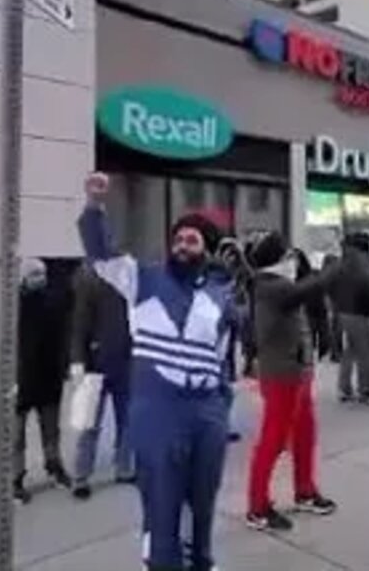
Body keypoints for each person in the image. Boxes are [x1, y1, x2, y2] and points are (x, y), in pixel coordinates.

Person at [77, 172, 237, 571]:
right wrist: (95, 206)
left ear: (206, 249)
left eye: (192, 240)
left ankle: (201, 561)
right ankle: (162, 562)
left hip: (206, 411)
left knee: (202, 497)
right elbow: (101, 252)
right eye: (178, 239)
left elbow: (222, 356)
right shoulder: (142, 279)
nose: (182, 245)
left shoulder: (218, 294)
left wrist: (221, 406)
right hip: (158, 408)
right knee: (162, 498)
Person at [245, 231, 340, 531]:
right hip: (282, 374)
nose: (292, 260)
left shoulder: (275, 286)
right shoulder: (272, 287)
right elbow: (316, 285)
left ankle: (305, 491)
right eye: (287, 255)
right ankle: (258, 507)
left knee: (304, 435)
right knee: (273, 440)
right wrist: (335, 259)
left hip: (296, 372)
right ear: (278, 259)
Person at [69, 261, 134, 500]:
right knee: (90, 423)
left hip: (125, 360)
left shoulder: (128, 278)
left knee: (126, 420)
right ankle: (81, 476)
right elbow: (80, 323)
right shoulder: (90, 278)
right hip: (97, 362)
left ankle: (123, 468)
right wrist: (78, 359)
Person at [14, 257, 72, 503]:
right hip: (21, 379)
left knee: (51, 430)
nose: (40, 279)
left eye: (42, 274)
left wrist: (63, 367)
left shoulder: (53, 304)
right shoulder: (13, 307)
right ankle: (15, 478)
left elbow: (62, 337)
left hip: (48, 376)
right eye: (34, 274)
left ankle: (54, 465)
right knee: (16, 435)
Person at [332, 233, 369, 405]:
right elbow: (368, 287)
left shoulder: (343, 261)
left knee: (351, 350)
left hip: (345, 311)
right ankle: (366, 390)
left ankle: (344, 387)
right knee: (368, 351)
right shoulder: (362, 263)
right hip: (361, 312)